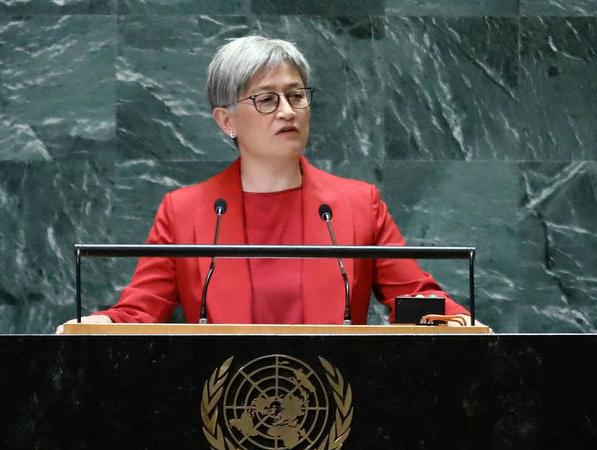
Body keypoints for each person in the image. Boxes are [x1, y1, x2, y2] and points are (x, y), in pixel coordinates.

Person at [72, 35, 472, 326]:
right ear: (226, 120)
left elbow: (415, 294)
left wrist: (452, 319)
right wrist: (104, 324)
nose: (287, 111)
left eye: (296, 95)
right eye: (266, 99)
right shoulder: (184, 211)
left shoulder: (356, 204)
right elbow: (141, 309)